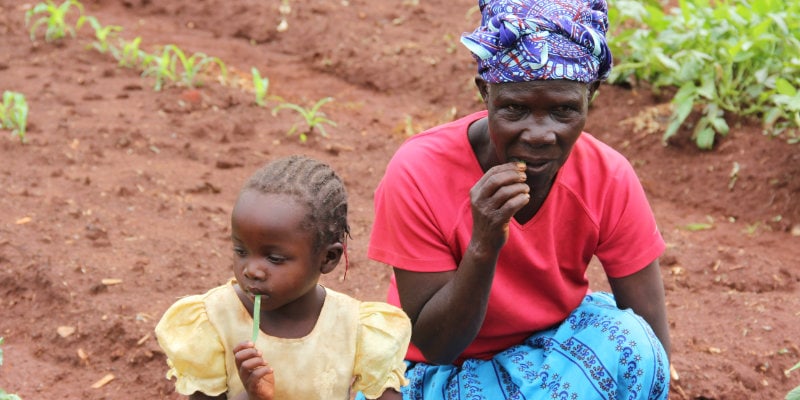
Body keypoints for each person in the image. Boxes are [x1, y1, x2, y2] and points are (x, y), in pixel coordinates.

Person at [364, 0, 671, 398]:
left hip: (553, 355)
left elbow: (651, 343)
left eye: (563, 110)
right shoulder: (419, 171)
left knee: (631, 340)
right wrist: (483, 244)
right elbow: (437, 346)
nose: (540, 134)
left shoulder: (606, 175)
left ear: (591, 96)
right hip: (439, 372)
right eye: (515, 108)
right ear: (485, 93)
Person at [155, 155, 412, 400]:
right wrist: (251, 394)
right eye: (241, 251)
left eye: (275, 259)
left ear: (328, 258)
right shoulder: (214, 321)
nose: (252, 270)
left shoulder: (355, 328)